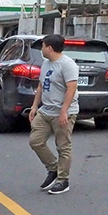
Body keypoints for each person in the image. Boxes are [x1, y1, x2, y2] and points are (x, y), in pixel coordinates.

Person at [28, 34, 80, 196]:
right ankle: (53, 168)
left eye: (43, 46)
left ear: (49, 48)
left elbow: (71, 88)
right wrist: (35, 106)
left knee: (63, 146)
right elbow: (42, 85)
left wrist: (64, 110)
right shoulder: (46, 63)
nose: (41, 49)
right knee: (35, 141)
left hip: (63, 112)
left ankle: (63, 180)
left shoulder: (67, 65)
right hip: (46, 110)